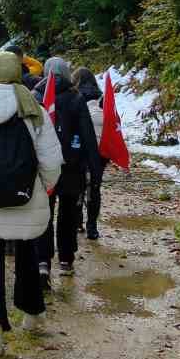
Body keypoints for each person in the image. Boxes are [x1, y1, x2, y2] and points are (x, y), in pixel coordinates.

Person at [0, 52, 64, 355]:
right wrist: (44, 184)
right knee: (27, 251)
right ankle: (31, 314)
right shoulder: (33, 108)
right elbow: (50, 158)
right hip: (25, 192)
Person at [36, 58, 100, 282]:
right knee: (68, 213)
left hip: (44, 166)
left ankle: (42, 260)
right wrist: (94, 167)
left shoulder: (36, 98)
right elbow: (87, 135)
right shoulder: (76, 99)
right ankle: (66, 258)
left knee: (44, 213)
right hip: (71, 167)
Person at [73, 67, 108, 240]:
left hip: (80, 148)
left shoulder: (74, 97)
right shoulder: (103, 98)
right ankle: (92, 226)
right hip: (100, 150)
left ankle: (78, 221)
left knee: (77, 186)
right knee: (95, 187)